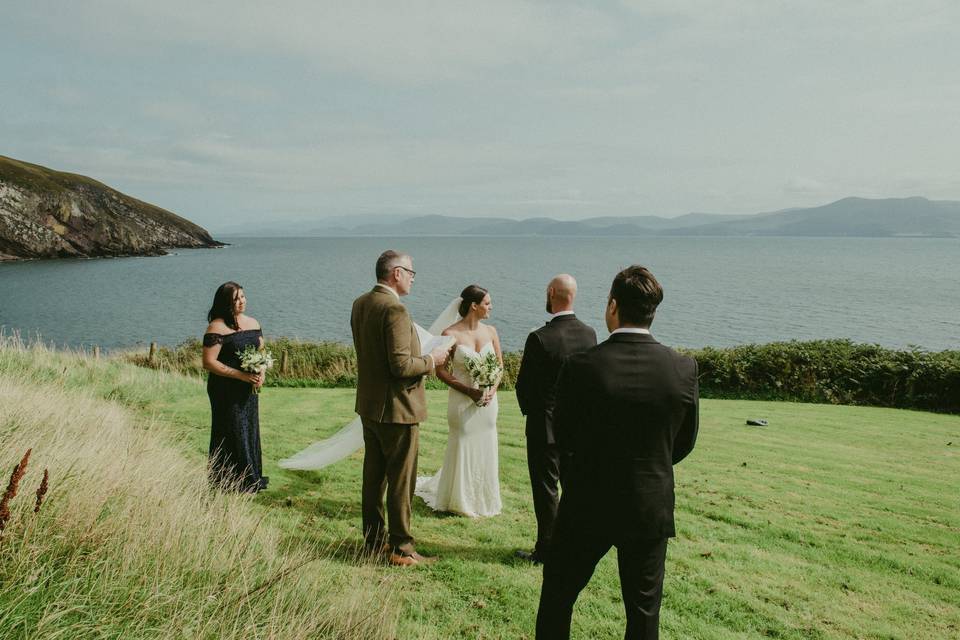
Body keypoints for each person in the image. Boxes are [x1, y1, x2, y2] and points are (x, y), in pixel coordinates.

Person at [536, 265, 699, 640]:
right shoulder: (682, 369)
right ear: (652, 312)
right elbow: (684, 441)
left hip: (587, 503)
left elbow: (562, 434)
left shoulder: (582, 366)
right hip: (648, 504)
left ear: (613, 306)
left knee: (558, 596)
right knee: (643, 612)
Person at [351, 250, 451, 567]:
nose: (412, 277)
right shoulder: (394, 309)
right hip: (397, 409)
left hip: (370, 405)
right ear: (396, 273)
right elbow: (399, 365)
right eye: (411, 272)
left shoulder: (361, 303)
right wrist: (431, 361)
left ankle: (374, 541)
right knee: (401, 481)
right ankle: (401, 549)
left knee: (374, 478)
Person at [514, 274, 596, 564]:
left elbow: (524, 386)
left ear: (551, 293)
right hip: (579, 428)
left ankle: (547, 549)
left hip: (544, 426)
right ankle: (574, 545)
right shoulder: (590, 334)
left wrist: (535, 413)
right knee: (574, 488)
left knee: (546, 490)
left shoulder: (539, 337)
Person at [415, 285, 503, 518]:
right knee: (463, 441)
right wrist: (468, 390)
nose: (491, 307)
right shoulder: (450, 334)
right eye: (487, 303)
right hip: (462, 401)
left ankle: (483, 498)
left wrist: (491, 390)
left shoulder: (492, 331)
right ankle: (459, 499)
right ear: (474, 306)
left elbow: (500, 367)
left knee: (486, 442)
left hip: (488, 402)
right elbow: (440, 370)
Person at [202, 281, 268, 493]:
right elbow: (209, 362)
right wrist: (241, 375)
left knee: (248, 428)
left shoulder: (253, 322)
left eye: (243, 296)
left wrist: (261, 374)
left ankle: (250, 476)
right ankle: (227, 480)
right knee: (230, 429)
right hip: (224, 389)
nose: (242, 301)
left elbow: (262, 353)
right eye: (236, 299)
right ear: (226, 303)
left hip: (247, 388)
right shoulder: (216, 327)